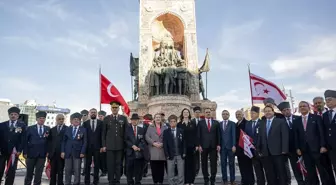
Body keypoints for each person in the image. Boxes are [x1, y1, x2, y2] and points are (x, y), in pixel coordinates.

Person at [294, 101, 329, 185]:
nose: (302, 107)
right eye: (300, 106)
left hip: (317, 149)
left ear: (309, 107)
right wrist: (297, 148)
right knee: (310, 172)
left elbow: (321, 133)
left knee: (322, 170)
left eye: (304, 106)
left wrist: (323, 145)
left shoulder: (316, 118)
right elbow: (296, 136)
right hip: (305, 150)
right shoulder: (297, 120)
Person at [257, 106, 289, 185]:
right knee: (269, 173)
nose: (267, 112)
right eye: (266, 111)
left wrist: (284, 149)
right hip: (266, 153)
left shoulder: (280, 121)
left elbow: (285, 136)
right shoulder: (262, 123)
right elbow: (260, 137)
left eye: (269, 111)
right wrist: (259, 149)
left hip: (278, 152)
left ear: (273, 112)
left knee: (281, 172)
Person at [277, 102, 305, 185]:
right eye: (284, 110)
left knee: (306, 167)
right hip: (289, 149)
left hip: (301, 148)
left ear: (290, 110)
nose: (286, 111)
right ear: (282, 112)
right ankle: (300, 182)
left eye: (287, 109)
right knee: (295, 168)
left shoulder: (298, 118)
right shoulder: (280, 122)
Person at [102, 101, 128, 185]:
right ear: (111, 108)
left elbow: (126, 133)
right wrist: (104, 145)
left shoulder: (123, 118)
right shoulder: (107, 118)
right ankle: (110, 180)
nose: (114, 109)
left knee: (118, 164)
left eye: (116, 108)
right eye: (113, 108)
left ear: (118, 108)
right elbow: (103, 133)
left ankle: (117, 179)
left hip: (120, 146)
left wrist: (125, 145)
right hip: (109, 146)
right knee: (110, 164)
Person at [0, 107, 26, 185]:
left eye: (15, 114)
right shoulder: (2, 125)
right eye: (11, 114)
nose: (13, 116)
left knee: (11, 171)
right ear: (9, 115)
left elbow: (23, 140)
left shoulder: (22, 126)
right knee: (0, 169)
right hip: (2, 152)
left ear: (18, 116)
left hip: (14, 153)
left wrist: (19, 150)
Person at [24, 111, 51, 185]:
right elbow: (25, 141)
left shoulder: (48, 129)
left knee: (38, 173)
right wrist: (25, 152)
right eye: (40, 118)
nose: (42, 119)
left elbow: (49, 142)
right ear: (37, 119)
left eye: (43, 118)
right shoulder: (30, 128)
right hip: (31, 154)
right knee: (29, 172)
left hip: (42, 154)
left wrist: (48, 152)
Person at [61, 112, 87, 185]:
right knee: (67, 170)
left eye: (78, 119)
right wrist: (62, 151)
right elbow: (63, 141)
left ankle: (76, 183)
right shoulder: (67, 129)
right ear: (71, 121)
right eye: (74, 119)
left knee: (77, 170)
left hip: (78, 153)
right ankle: (67, 183)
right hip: (68, 152)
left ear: (80, 121)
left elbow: (85, 142)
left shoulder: (83, 130)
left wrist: (82, 152)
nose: (76, 121)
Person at [198, 108, 220, 185]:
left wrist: (218, 144)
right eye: (206, 112)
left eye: (209, 112)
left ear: (211, 113)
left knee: (213, 163)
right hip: (203, 146)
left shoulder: (216, 123)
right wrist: (199, 145)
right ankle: (206, 179)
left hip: (213, 146)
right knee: (204, 164)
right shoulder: (200, 123)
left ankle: (213, 179)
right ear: (204, 113)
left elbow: (218, 135)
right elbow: (199, 135)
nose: (208, 113)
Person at [145, 113, 168, 185]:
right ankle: (155, 181)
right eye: (156, 117)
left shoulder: (165, 127)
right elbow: (147, 136)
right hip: (153, 149)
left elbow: (168, 137)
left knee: (161, 168)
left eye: (159, 117)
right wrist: (153, 143)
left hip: (162, 149)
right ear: (154, 119)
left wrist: (163, 143)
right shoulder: (150, 127)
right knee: (154, 168)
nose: (158, 118)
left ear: (161, 119)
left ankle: (160, 181)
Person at [244, 106, 265, 185]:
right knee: (257, 170)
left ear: (258, 114)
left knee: (266, 169)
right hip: (252, 151)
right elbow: (246, 136)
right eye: (251, 113)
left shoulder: (262, 123)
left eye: (253, 113)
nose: (251, 114)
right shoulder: (248, 123)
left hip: (262, 150)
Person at [177, 108, 198, 185]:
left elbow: (196, 135)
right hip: (182, 147)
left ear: (189, 114)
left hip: (191, 146)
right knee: (184, 164)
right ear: (182, 114)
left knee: (192, 164)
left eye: (187, 112)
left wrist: (196, 145)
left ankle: (191, 181)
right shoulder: (179, 124)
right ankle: (186, 181)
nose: (186, 113)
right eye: (184, 112)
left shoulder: (193, 123)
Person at [83, 108, 103, 185]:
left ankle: (96, 181)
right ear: (89, 113)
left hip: (98, 147)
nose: (93, 113)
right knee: (87, 165)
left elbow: (102, 135)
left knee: (97, 165)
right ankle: (87, 181)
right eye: (92, 112)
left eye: (95, 112)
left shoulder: (101, 123)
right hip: (88, 148)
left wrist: (102, 146)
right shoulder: (85, 123)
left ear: (97, 113)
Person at [163, 114, 186, 185]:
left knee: (181, 171)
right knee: (170, 171)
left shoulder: (181, 130)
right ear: (169, 122)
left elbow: (184, 142)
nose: (173, 123)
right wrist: (166, 154)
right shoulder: (166, 132)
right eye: (171, 121)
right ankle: (171, 183)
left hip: (180, 154)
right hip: (170, 154)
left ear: (176, 122)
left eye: (174, 121)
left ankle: (181, 183)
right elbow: (165, 144)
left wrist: (184, 152)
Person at [126, 113, 147, 185]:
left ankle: (138, 182)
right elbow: (125, 140)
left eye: (136, 120)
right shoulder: (127, 129)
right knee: (129, 169)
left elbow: (143, 140)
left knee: (138, 169)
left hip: (139, 152)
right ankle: (130, 182)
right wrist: (132, 146)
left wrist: (139, 148)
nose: (134, 121)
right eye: (133, 120)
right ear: (131, 121)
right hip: (130, 152)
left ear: (138, 121)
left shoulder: (142, 129)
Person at [235, 110, 254, 185]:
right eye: (236, 114)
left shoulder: (247, 123)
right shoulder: (236, 124)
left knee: (248, 166)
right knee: (241, 166)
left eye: (239, 114)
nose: (238, 115)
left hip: (246, 148)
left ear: (243, 115)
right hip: (239, 149)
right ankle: (244, 181)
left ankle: (250, 181)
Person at [48, 114, 67, 185]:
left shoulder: (67, 129)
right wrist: (49, 153)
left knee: (60, 171)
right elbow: (49, 142)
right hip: (53, 154)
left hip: (62, 154)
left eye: (62, 119)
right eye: (59, 119)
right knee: (52, 171)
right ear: (56, 120)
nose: (61, 120)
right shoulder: (52, 130)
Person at [219, 110, 236, 185]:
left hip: (230, 147)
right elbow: (218, 136)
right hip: (222, 148)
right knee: (223, 164)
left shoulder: (232, 123)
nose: (225, 115)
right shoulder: (219, 124)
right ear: (222, 115)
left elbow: (234, 135)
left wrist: (234, 145)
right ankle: (225, 180)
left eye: (226, 114)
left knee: (232, 164)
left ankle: (232, 180)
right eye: (223, 114)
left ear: (228, 115)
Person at [323, 90, 336, 179]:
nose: (328, 102)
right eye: (326, 100)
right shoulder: (325, 115)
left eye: (330, 99)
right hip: (331, 148)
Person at [191, 106, 202, 177]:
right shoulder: (191, 121)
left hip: (203, 143)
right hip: (195, 143)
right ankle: (196, 170)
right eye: (196, 112)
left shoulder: (203, 121)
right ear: (194, 113)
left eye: (198, 112)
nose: (197, 114)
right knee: (196, 157)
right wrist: (196, 144)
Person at [98, 110, 107, 177]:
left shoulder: (106, 123)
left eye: (101, 116)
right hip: (98, 144)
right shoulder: (98, 123)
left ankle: (104, 171)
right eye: (99, 116)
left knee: (104, 159)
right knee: (100, 160)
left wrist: (104, 145)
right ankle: (102, 170)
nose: (100, 117)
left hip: (105, 144)